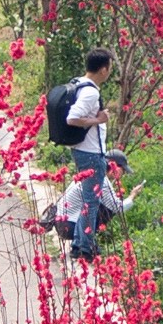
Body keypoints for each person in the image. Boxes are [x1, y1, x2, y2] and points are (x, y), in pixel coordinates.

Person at [44, 48, 117, 257]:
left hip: (83, 152)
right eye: (109, 68)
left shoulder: (79, 81)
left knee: (89, 200)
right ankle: (84, 248)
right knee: (91, 202)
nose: (109, 72)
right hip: (91, 154)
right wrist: (98, 120)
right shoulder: (91, 91)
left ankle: (79, 244)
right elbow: (72, 118)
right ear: (103, 69)